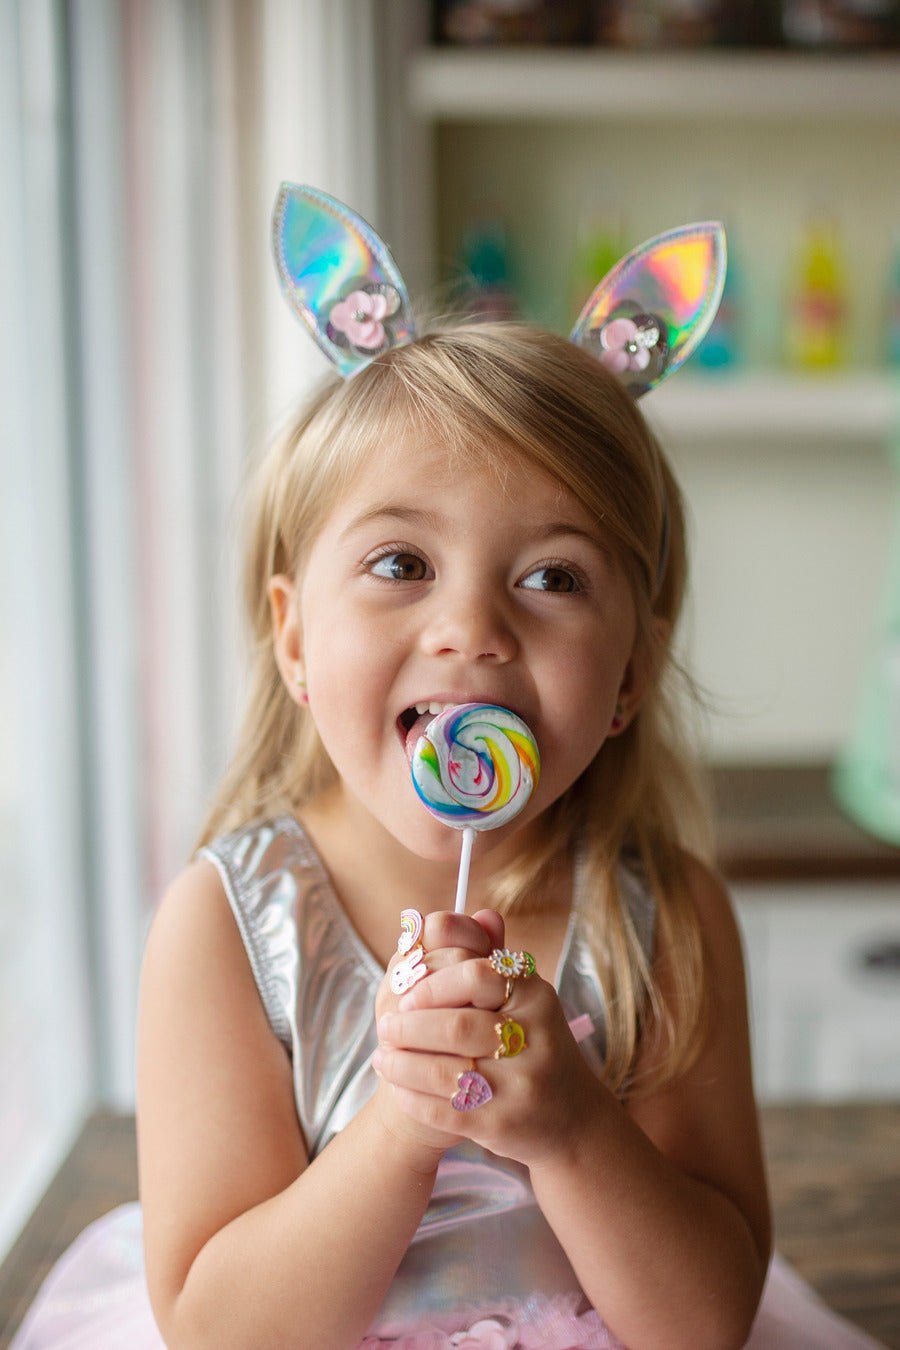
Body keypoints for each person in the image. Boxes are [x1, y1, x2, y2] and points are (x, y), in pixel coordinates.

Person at [10, 189, 886, 1350]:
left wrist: (572, 1128)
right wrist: (403, 1125)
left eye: (554, 577)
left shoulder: (663, 920)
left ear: (631, 674)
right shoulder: (227, 928)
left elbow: (705, 1321)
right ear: (294, 638)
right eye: (400, 561)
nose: (470, 628)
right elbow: (220, 1331)